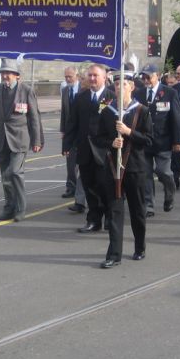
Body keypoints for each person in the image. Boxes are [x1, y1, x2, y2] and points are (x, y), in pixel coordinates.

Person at [94, 73, 153, 267]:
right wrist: (111, 142)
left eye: (124, 84)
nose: (120, 87)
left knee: (137, 210)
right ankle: (114, 254)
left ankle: (140, 246)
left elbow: (148, 140)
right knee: (114, 211)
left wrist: (129, 132)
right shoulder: (107, 111)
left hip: (135, 168)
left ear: (132, 87)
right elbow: (98, 137)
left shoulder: (141, 111)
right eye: (117, 84)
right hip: (113, 168)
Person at [0, 59, 43, 222]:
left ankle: (20, 208)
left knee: (14, 172)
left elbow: (34, 117)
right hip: (1, 139)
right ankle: (9, 207)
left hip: (19, 139)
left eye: (8, 73)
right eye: (3, 73)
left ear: (17, 76)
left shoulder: (26, 91)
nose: (5, 76)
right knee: (5, 177)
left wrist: (36, 140)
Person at [63, 63, 116, 232]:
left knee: (105, 186)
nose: (92, 79)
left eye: (96, 75)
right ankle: (94, 220)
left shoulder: (111, 97)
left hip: (104, 151)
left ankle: (109, 217)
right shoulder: (81, 98)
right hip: (85, 150)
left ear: (104, 77)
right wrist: (67, 145)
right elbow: (72, 123)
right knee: (89, 187)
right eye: (90, 75)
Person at [136, 63, 180, 217]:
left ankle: (170, 192)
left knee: (164, 172)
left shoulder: (169, 93)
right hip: (144, 140)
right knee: (146, 174)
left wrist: (177, 141)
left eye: (149, 76)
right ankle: (149, 205)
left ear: (157, 75)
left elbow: (176, 118)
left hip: (163, 140)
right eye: (144, 76)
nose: (146, 79)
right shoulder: (139, 93)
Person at [59, 66, 87, 213]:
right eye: (66, 77)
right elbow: (64, 112)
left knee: (82, 166)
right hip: (70, 132)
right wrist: (63, 129)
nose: (67, 79)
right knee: (70, 162)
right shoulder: (65, 91)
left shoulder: (84, 90)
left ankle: (81, 196)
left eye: (70, 77)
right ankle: (71, 187)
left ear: (77, 76)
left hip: (82, 132)